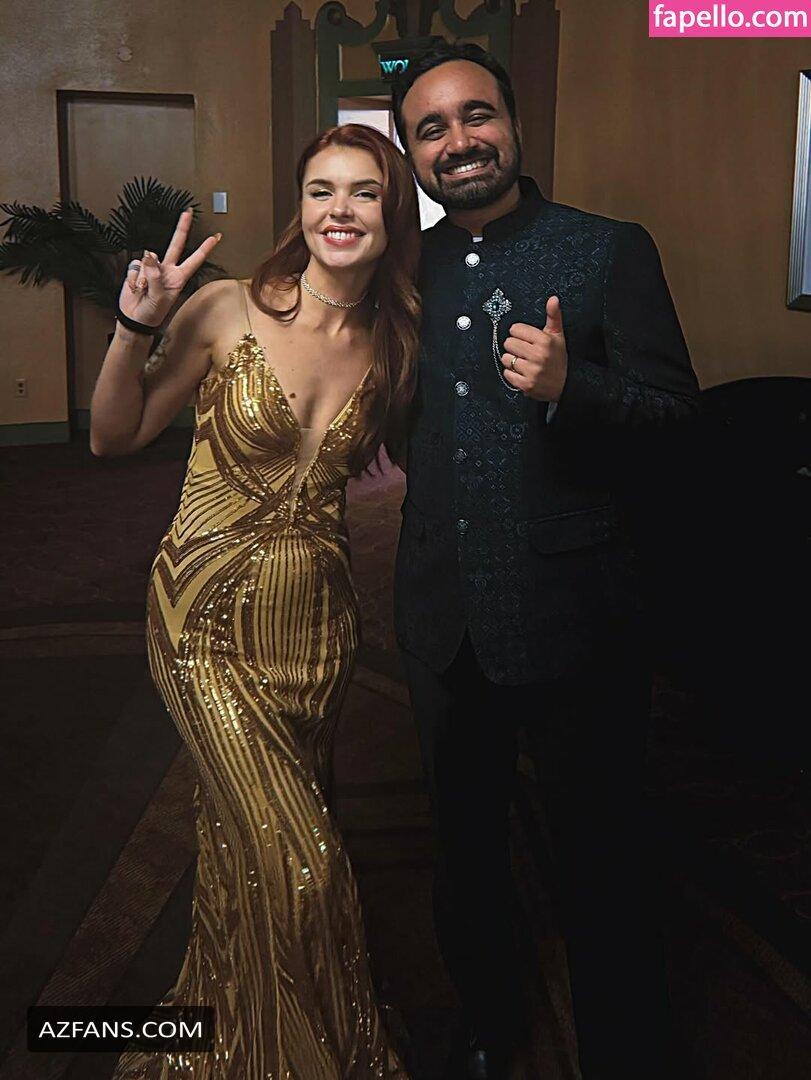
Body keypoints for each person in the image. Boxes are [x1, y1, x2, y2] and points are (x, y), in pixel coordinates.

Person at [391, 42, 700, 1080]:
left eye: (475, 115)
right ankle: (489, 1023)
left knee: (603, 855)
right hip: (441, 616)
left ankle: (624, 1047)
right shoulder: (402, 269)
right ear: (412, 154)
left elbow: (677, 421)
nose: (458, 141)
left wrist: (579, 388)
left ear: (514, 124)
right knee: (465, 851)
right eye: (431, 128)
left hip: (577, 613)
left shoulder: (605, 249)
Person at [90, 123, 420, 1079]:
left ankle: (235, 1038)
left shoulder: (398, 343)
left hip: (317, 630)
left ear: (391, 213)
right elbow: (114, 436)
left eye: (363, 192)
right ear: (299, 207)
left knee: (240, 846)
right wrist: (135, 327)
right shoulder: (227, 307)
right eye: (321, 190)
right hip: (201, 624)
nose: (339, 210)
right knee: (299, 864)